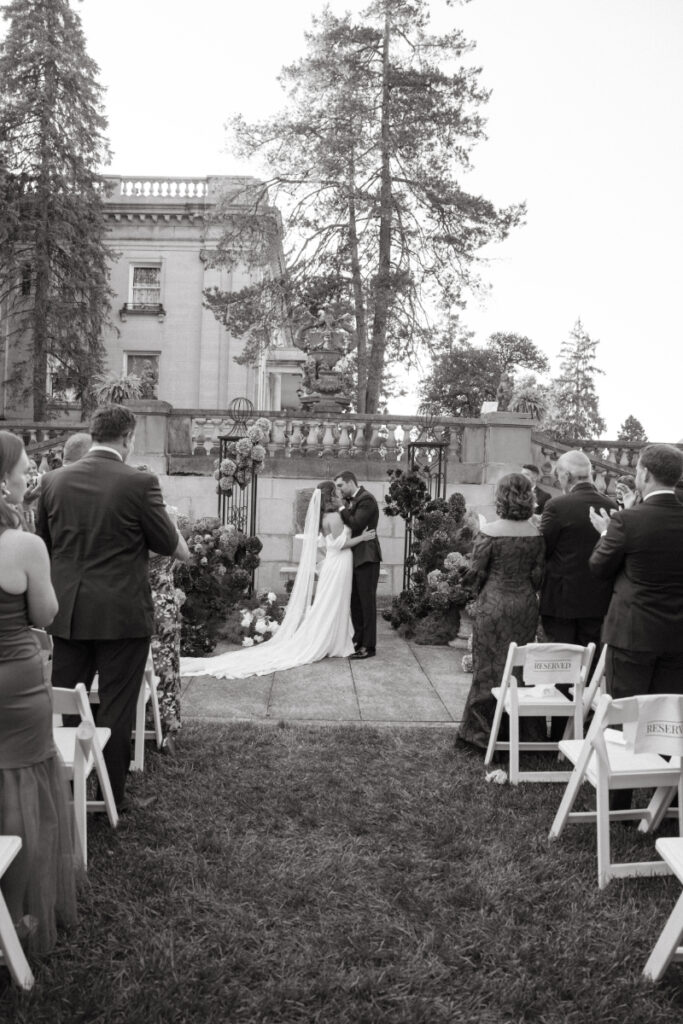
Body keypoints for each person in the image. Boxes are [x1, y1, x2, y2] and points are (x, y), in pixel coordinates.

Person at [36, 405, 190, 813]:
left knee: (69, 701)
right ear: (127, 438)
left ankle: (70, 786)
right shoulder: (139, 482)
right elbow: (164, 541)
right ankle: (109, 796)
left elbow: (45, 546)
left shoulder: (52, 482)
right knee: (119, 707)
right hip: (122, 615)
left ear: (94, 433)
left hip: (66, 613)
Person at [0, 431, 78, 955]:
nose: (29, 477)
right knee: (22, 787)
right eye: (24, 469)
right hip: (15, 685)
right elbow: (45, 615)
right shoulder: (23, 546)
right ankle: (19, 912)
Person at [180, 482, 376, 679]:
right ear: (331, 495)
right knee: (333, 603)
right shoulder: (334, 517)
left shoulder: (325, 517)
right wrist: (363, 537)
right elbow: (340, 544)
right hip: (339, 563)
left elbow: (327, 545)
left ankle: (335, 639)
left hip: (334, 563)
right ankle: (331, 641)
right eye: (338, 491)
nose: (341, 493)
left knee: (331, 603)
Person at [457, 473, 545, 751]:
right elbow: (539, 576)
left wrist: (469, 584)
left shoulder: (491, 532)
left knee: (488, 668)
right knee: (519, 668)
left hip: (493, 606)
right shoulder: (537, 534)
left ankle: (481, 736)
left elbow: (475, 574)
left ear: (500, 497)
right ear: (528, 497)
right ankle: (523, 736)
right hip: (524, 605)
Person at [589, 443, 683, 698]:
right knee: (665, 719)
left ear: (645, 474)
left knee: (625, 719)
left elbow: (599, 566)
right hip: (676, 637)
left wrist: (607, 532)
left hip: (632, 634)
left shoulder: (628, 520)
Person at [539, 450, 617, 650]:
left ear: (566, 476)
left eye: (559, 477)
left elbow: (543, 549)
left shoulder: (556, 505)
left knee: (560, 666)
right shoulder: (610, 505)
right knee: (590, 665)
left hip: (561, 600)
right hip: (598, 600)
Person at [334, 471, 383, 660]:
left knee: (367, 602)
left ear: (350, 482)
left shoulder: (367, 499)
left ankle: (369, 647)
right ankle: (358, 640)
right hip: (354, 557)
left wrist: (340, 508)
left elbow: (355, 524)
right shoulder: (351, 501)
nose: (339, 490)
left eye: (340, 486)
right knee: (355, 602)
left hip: (367, 557)